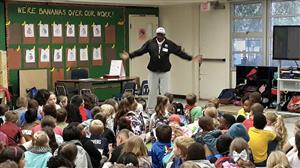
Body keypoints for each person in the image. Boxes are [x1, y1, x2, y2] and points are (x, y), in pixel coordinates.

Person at [121, 27, 203, 111]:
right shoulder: (150, 43)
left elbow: (179, 53)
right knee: (152, 90)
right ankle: (151, 109)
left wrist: (192, 58)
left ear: (164, 35)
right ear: (156, 35)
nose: (159, 37)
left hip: (165, 71)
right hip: (153, 71)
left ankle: (165, 108)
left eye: (161, 35)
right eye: (158, 35)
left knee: (165, 91)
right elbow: (140, 51)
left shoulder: (169, 44)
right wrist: (130, 55)